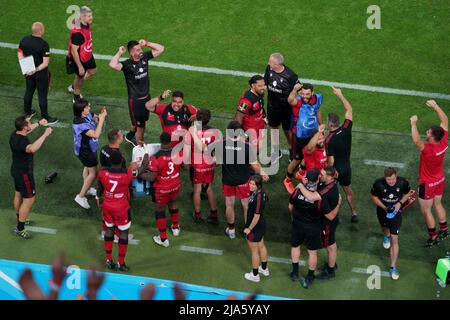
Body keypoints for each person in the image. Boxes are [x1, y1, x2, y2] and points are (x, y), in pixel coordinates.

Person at [212, 121, 269, 239]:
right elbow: (255, 166)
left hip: (228, 180)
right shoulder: (246, 147)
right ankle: (247, 229)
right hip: (243, 181)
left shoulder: (221, 145)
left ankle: (231, 230)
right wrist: (263, 173)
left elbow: (216, 162)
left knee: (229, 205)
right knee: (246, 206)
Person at [97, 151, 148, 272]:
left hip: (107, 206)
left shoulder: (102, 172)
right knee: (124, 233)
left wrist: (98, 198)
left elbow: (99, 187)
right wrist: (145, 153)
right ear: (121, 161)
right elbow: (144, 166)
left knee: (109, 230)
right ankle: (121, 262)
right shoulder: (128, 174)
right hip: (121, 209)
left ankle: (109, 260)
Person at [109, 39, 165, 145]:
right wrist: (119, 53)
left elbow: (161, 49)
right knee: (141, 126)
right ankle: (140, 147)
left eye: (140, 48)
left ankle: (130, 136)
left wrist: (147, 43)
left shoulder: (145, 57)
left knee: (137, 124)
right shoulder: (127, 65)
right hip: (135, 102)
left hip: (147, 98)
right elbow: (112, 64)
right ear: (131, 52)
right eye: (138, 49)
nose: (141, 51)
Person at [410, 100, 449, 247]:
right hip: (439, 180)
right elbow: (445, 121)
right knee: (438, 204)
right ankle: (444, 229)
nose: (426, 132)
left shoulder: (427, 149)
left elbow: (416, 141)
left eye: (428, 132)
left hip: (427, 183)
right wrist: (435, 106)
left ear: (432, 137)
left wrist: (413, 123)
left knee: (426, 211)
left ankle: (433, 237)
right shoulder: (443, 141)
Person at [10, 115, 52, 239]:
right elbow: (32, 149)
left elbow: (29, 129)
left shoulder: (15, 134)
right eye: (28, 123)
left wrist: (39, 123)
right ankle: (20, 228)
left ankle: (20, 219)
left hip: (16, 170)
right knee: (29, 199)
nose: (30, 124)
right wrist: (45, 134)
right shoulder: (23, 142)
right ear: (24, 127)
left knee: (18, 194)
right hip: (24, 174)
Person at [140, 132, 185, 247]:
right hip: (175, 184)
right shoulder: (178, 153)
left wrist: (139, 175)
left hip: (161, 189)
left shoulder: (155, 157)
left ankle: (163, 239)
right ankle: (175, 227)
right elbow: (186, 167)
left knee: (160, 210)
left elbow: (151, 177)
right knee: (173, 203)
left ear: (160, 142)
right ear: (170, 141)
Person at [288, 168, 331, 289]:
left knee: (295, 246)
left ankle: (295, 273)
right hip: (313, 227)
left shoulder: (297, 191)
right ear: (317, 180)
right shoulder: (318, 197)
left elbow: (290, 206)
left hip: (297, 223)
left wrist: (293, 217)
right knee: (312, 252)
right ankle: (310, 276)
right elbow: (326, 213)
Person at [297, 166, 342, 280]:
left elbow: (311, 196)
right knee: (331, 244)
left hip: (328, 222)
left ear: (330, 177)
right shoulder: (327, 184)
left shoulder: (327, 190)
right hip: (328, 219)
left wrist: (301, 186)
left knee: (330, 245)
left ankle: (330, 271)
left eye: (322, 175)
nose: (319, 176)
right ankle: (332, 265)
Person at [370, 167, 411, 280]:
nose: (391, 182)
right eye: (389, 180)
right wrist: (384, 207)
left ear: (396, 176)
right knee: (384, 228)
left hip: (396, 214)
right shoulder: (378, 184)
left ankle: (393, 266)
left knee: (395, 239)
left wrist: (399, 204)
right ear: (385, 178)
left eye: (393, 179)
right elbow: (373, 196)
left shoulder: (403, 182)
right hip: (382, 212)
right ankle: (386, 235)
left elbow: (408, 193)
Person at [325, 87, 358, 222]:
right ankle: (354, 213)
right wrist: (340, 95)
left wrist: (328, 171)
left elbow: (331, 162)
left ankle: (334, 215)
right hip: (346, 168)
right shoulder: (346, 129)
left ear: (329, 123)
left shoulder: (329, 140)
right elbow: (349, 110)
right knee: (348, 191)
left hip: (336, 170)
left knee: (332, 193)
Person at [283, 83, 322, 194]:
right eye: (303, 93)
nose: (305, 96)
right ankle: (287, 179)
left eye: (307, 94)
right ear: (300, 93)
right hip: (299, 135)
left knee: (309, 153)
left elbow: (318, 110)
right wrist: (294, 89)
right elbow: (290, 100)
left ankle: (301, 172)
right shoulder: (298, 102)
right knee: (297, 159)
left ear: (312, 93)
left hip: (312, 133)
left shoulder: (317, 99)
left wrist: (321, 125)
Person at [184, 109, 220, 224]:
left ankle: (198, 215)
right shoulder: (214, 131)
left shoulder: (191, 132)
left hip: (197, 165)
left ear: (197, 118)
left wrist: (186, 163)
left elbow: (187, 151)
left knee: (197, 190)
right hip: (210, 164)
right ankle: (214, 214)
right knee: (209, 189)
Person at [18, 22, 57, 124]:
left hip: (28, 72)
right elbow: (45, 63)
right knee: (42, 95)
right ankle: (45, 117)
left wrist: (25, 67)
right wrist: (35, 69)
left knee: (29, 91)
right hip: (40, 74)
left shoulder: (24, 40)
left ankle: (28, 112)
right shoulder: (44, 44)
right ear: (41, 31)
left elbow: (20, 53)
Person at [264, 53, 300, 162]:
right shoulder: (269, 69)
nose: (268, 63)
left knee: (287, 130)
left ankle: (291, 150)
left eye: (270, 62)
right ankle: (276, 151)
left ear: (276, 64)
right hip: (272, 107)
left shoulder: (290, 76)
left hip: (286, 109)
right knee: (274, 128)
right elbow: (265, 82)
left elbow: (297, 90)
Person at [72, 99, 107, 209]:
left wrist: (98, 118)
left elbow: (94, 117)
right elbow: (96, 135)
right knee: (94, 173)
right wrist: (101, 120)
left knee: (88, 168)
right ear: (82, 111)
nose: (89, 108)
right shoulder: (80, 124)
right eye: (87, 107)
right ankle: (81, 196)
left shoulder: (86, 115)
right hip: (85, 151)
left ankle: (86, 189)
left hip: (89, 148)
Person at [67, 6, 97, 102]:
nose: (91, 17)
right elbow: (73, 50)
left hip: (87, 53)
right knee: (80, 80)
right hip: (80, 59)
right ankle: (76, 97)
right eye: (88, 16)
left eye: (91, 15)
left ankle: (73, 86)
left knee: (93, 71)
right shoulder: (78, 34)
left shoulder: (85, 23)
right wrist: (80, 66)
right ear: (82, 17)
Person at [243, 174, 269, 282]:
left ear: (258, 186)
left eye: (253, 184)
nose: (251, 185)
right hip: (261, 225)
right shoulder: (259, 193)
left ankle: (255, 275)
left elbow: (256, 216)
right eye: (250, 183)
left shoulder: (258, 197)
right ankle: (264, 268)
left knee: (254, 251)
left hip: (255, 226)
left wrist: (249, 228)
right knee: (261, 246)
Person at [234, 75, 267, 153]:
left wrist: (264, 117)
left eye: (264, 85)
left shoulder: (260, 93)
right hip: (250, 131)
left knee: (258, 149)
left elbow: (261, 105)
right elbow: (238, 116)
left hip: (259, 126)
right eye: (260, 86)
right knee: (251, 152)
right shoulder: (246, 100)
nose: (263, 88)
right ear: (253, 85)